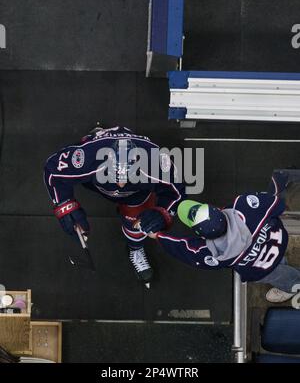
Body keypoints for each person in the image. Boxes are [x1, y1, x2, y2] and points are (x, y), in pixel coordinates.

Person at [44, 126, 185, 285]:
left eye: (127, 176)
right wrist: (66, 207)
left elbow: (177, 192)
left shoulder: (158, 162)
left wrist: (162, 212)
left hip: (137, 194)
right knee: (84, 147)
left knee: (140, 225)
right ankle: (97, 134)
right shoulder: (87, 156)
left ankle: (135, 248)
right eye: (116, 176)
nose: (121, 183)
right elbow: (53, 171)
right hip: (96, 181)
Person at [147, 189, 300, 303]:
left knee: (280, 274)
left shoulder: (214, 254)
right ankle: (285, 267)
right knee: (280, 261)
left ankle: (294, 285)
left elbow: (183, 250)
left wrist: (159, 235)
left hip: (262, 268)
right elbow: (277, 204)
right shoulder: (245, 206)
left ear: (202, 236)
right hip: (277, 241)